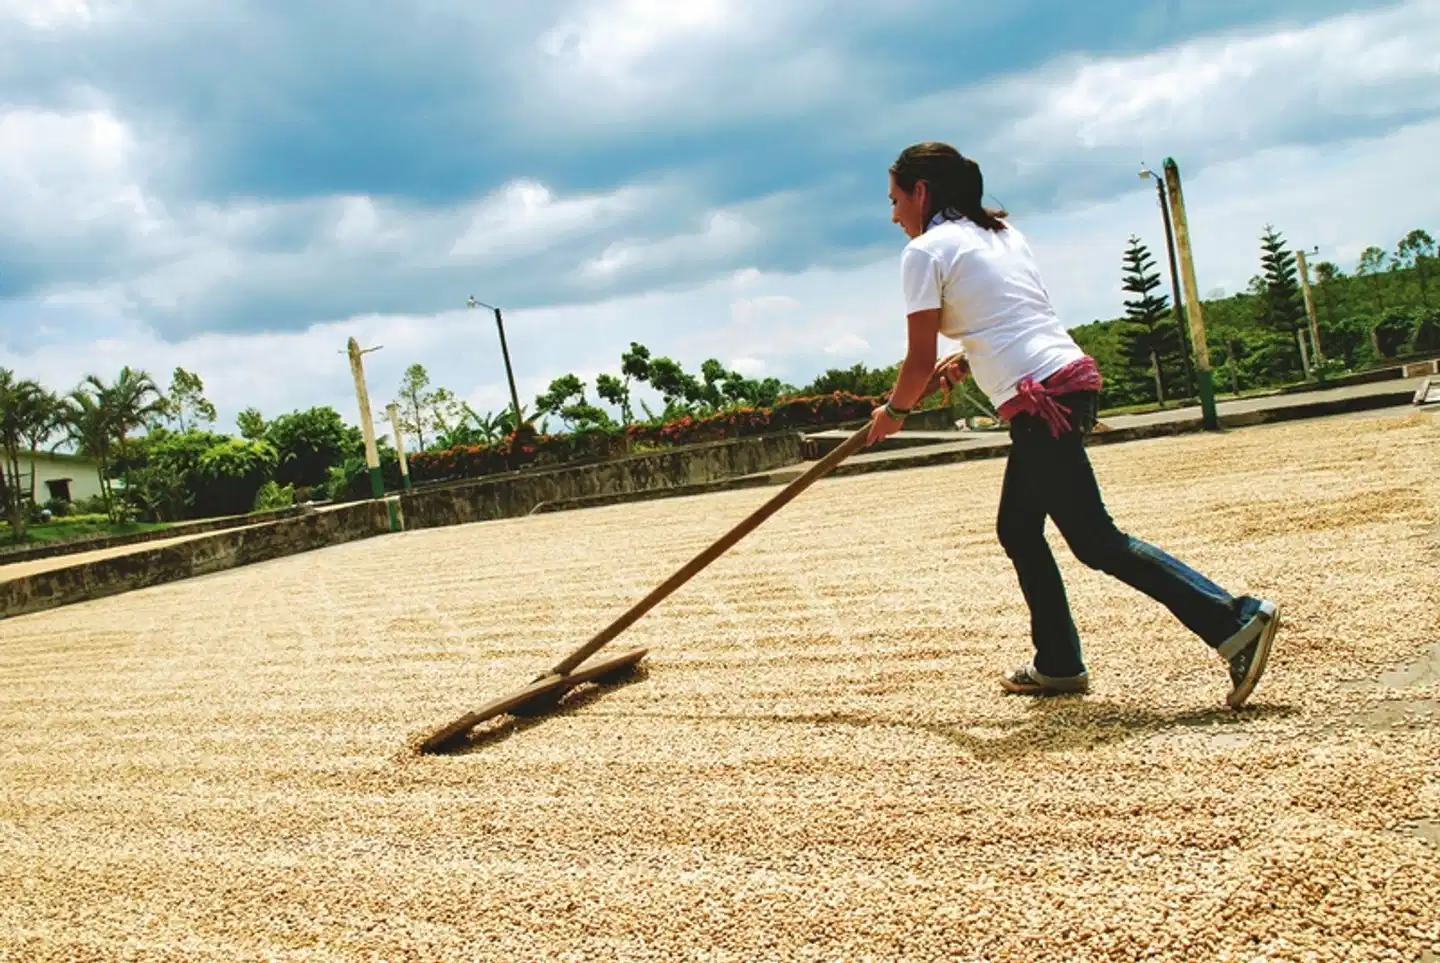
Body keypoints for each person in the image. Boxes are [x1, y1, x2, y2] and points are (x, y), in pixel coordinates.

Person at [867, 141, 1280, 709]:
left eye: (895, 200)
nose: (893, 215)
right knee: (1018, 529)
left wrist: (894, 412)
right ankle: (1058, 663)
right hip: (1064, 380)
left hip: (1041, 402)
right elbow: (1011, 315)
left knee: (1097, 542)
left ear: (921, 192)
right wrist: (968, 357)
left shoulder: (924, 252)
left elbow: (917, 362)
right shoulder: (1001, 234)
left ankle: (1234, 621)